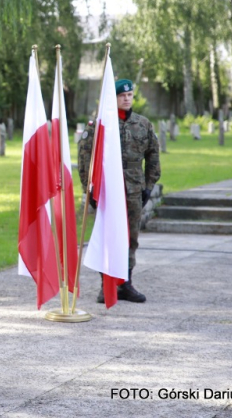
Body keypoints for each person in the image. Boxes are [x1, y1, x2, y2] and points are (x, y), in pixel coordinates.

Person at [78, 78, 161, 303]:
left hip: (133, 190)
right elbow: (85, 158)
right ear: (113, 98)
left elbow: (153, 154)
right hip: (106, 192)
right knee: (107, 236)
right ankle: (105, 286)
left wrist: (149, 185)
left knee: (130, 237)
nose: (127, 98)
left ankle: (125, 284)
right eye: (122, 95)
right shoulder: (99, 126)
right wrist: (90, 190)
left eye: (130, 95)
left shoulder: (143, 124)